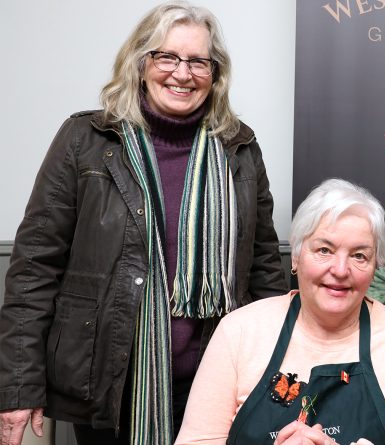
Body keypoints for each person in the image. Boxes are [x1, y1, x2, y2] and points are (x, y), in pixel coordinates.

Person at [0, 2, 288, 445]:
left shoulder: (240, 148)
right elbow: (34, 269)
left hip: (215, 384)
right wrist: (19, 385)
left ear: (215, 74)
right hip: (108, 384)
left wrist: (274, 374)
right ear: (140, 63)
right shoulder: (86, 141)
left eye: (198, 61)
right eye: (167, 56)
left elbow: (265, 269)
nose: (182, 72)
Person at [175, 178, 385, 445]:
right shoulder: (238, 332)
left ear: (375, 265)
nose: (341, 270)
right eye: (324, 250)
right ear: (296, 255)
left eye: (359, 256)